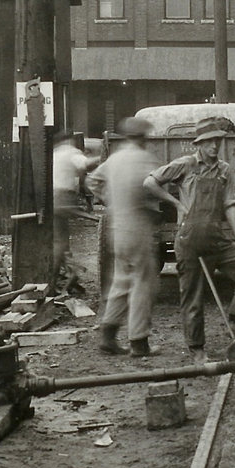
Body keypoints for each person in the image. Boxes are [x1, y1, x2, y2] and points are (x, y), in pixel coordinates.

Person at [144, 115, 235, 356]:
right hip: (189, 240)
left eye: (218, 141)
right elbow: (150, 182)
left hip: (216, 238)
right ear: (198, 144)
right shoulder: (185, 165)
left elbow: (230, 205)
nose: (214, 146)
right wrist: (177, 204)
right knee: (193, 297)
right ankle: (197, 349)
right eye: (209, 142)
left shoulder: (224, 170)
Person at [90, 117, 161, 357]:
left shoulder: (115, 158)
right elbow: (154, 188)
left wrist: (109, 199)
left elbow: (92, 180)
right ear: (142, 138)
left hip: (117, 227)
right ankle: (139, 342)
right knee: (143, 282)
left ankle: (107, 336)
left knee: (121, 280)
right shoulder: (144, 159)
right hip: (138, 226)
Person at [50, 130, 98, 294]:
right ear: (69, 140)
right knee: (60, 244)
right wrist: (106, 158)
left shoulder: (54, 154)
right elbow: (86, 165)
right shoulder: (69, 152)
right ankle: (52, 283)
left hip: (53, 199)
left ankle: (65, 278)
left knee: (61, 241)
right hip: (63, 198)